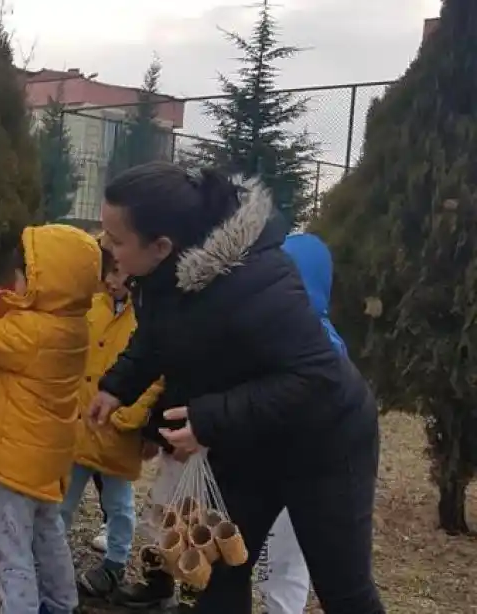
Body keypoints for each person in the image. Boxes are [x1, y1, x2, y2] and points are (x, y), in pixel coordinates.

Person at [91, 162, 383, 614]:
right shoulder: (158, 275)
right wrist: (117, 386)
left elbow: (315, 377)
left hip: (325, 442)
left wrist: (208, 419)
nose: (106, 247)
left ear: (162, 245)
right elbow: (155, 335)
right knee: (221, 570)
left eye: (116, 239)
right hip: (249, 438)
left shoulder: (256, 282)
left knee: (343, 589)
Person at [0, 225, 100, 614]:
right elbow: (14, 339)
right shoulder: (73, 324)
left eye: (25, 276)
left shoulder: (33, 333)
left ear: (49, 284)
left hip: (17, 464)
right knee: (47, 531)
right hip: (45, 460)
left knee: (8, 543)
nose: (16, 281)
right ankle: (61, 603)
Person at [60, 243, 163, 600]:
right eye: (109, 271)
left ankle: (115, 564)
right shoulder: (93, 306)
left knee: (119, 505)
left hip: (118, 431)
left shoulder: (149, 316)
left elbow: (156, 374)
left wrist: (131, 414)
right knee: (63, 499)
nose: (111, 279)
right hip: (82, 422)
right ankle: (51, 557)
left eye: (119, 272)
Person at [253, 232, 350, 614]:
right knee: (275, 563)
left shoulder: (312, 338)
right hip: (288, 466)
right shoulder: (317, 333)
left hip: (297, 469)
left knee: (280, 565)